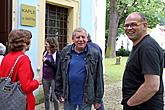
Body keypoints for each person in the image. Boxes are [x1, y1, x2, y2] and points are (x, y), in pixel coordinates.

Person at [121, 12, 164, 110]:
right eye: (126, 25)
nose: (129, 28)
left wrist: (130, 103)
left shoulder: (147, 47)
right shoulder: (140, 45)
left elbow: (152, 85)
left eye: (133, 24)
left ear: (145, 26)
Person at [55, 27, 104, 110]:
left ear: (87, 39)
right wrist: (59, 93)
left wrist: (98, 99)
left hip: (86, 97)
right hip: (69, 96)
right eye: (78, 37)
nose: (81, 40)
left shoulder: (94, 53)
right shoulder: (65, 52)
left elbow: (99, 77)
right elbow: (59, 73)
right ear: (73, 39)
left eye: (83, 37)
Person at [0, 29, 42, 110]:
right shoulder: (23, 59)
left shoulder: (6, 57)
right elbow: (26, 87)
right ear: (24, 44)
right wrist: (37, 82)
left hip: (6, 100)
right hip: (21, 102)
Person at [42, 37, 60, 110]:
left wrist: (47, 61)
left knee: (55, 97)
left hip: (53, 78)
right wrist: (41, 76)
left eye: (47, 43)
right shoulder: (45, 53)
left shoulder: (57, 54)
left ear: (51, 44)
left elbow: (57, 67)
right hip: (45, 78)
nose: (45, 45)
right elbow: (43, 66)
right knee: (46, 97)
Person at [87, 34, 104, 110]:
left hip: (90, 76)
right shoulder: (97, 46)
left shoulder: (88, 48)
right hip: (97, 74)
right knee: (98, 99)